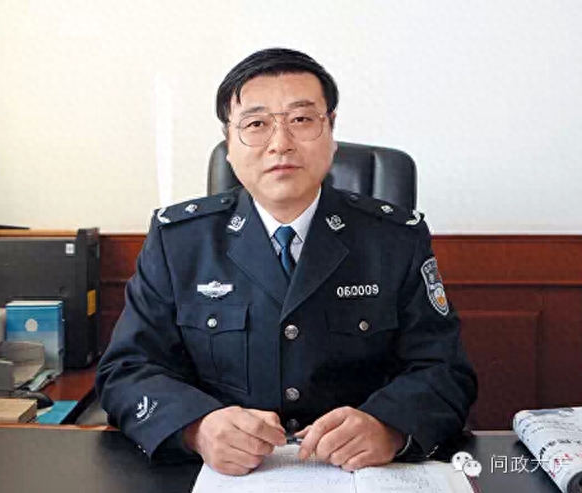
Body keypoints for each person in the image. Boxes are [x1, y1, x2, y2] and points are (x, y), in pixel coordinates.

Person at [96, 47, 477, 476]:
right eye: (256, 124)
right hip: (225, 476)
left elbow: (445, 369)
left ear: (330, 131)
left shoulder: (394, 239)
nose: (280, 143)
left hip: (362, 474)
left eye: (301, 119)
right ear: (229, 145)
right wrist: (196, 428)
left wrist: (389, 426)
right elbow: (126, 370)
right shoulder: (179, 242)